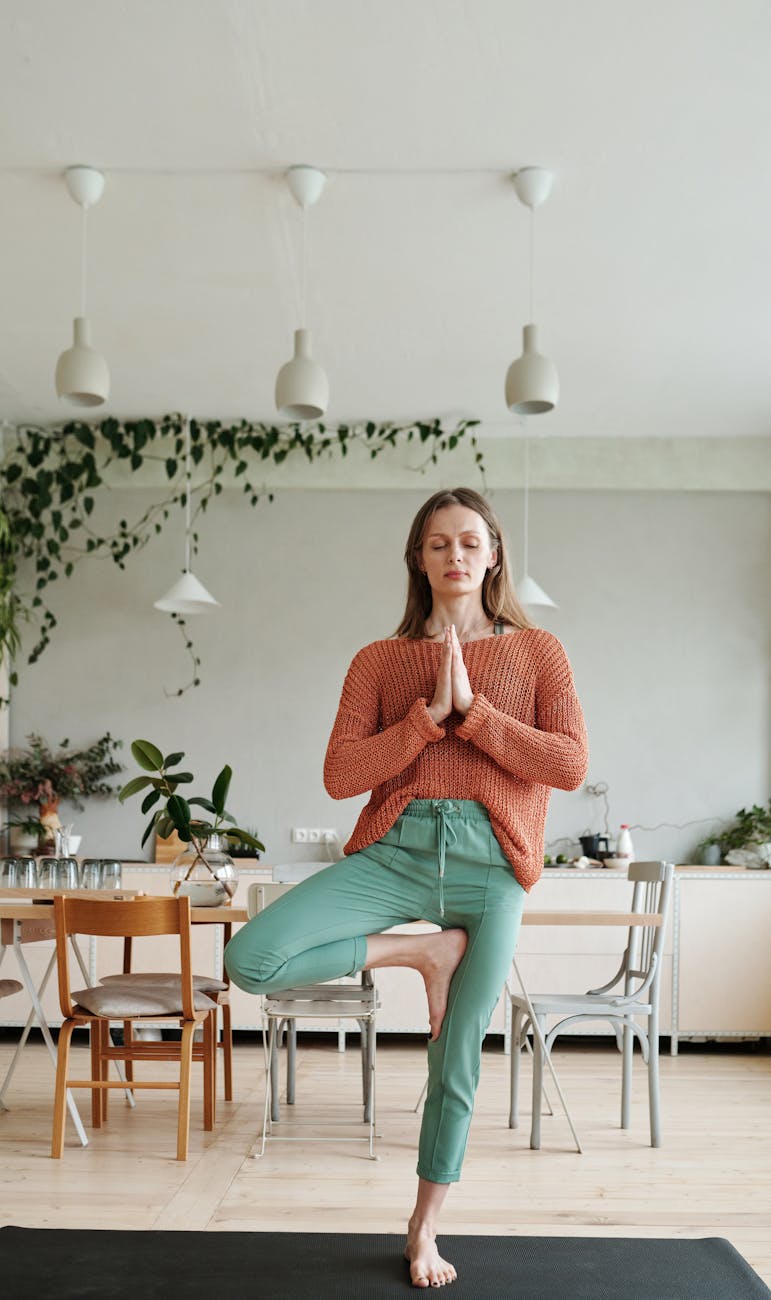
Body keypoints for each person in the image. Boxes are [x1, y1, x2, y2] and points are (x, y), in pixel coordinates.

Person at [224, 487, 588, 1288]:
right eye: (436, 544)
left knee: (456, 1057)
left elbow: (567, 764)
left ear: (493, 552)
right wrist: (426, 716)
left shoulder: (538, 652)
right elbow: (339, 775)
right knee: (250, 959)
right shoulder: (379, 661)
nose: (454, 554)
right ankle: (421, 952)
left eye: (468, 541)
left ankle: (423, 1228)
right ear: (417, 560)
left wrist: (476, 712)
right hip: (396, 848)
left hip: (492, 862)